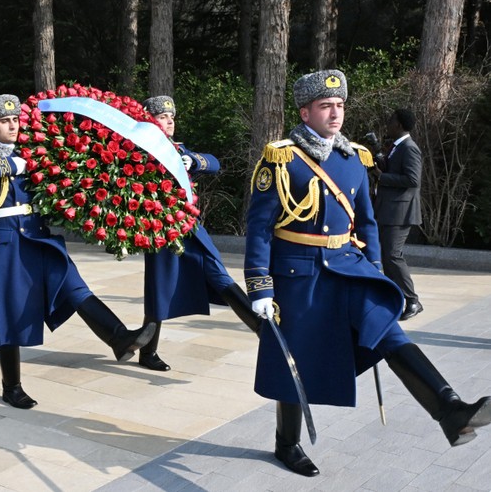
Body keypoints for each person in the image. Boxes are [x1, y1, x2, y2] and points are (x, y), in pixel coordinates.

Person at [245, 69, 491, 477]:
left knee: (389, 331)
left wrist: (376, 271)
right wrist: (259, 285)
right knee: (295, 361)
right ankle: (286, 444)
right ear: (305, 112)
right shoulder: (282, 157)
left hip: (349, 269)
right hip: (299, 275)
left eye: (340, 105)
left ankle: (449, 408)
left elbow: (368, 223)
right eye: (325, 106)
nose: (335, 113)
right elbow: (258, 227)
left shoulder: (353, 157)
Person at [0, 94, 156, 409]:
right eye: (4, 121)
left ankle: (118, 337)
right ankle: (11, 387)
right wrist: (15, 163)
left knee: (74, 286)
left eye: (14, 120)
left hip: (39, 236)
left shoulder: (34, 151)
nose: (12, 125)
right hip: (8, 242)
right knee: (10, 315)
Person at [140, 96, 261, 371]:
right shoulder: (140, 153)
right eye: (162, 117)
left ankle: (260, 326)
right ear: (149, 119)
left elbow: (214, 163)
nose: (170, 120)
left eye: (171, 116)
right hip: (161, 229)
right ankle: (148, 351)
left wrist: (192, 160)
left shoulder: (180, 149)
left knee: (219, 273)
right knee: (160, 291)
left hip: (190, 226)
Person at [372, 109, 423, 320]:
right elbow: (391, 168)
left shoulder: (410, 149)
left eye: (391, 121)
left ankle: (413, 300)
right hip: (388, 210)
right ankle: (395, 298)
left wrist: (381, 177)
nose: (388, 123)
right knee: (387, 256)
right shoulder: (396, 147)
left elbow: (412, 180)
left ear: (400, 125)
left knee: (393, 255)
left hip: (400, 212)